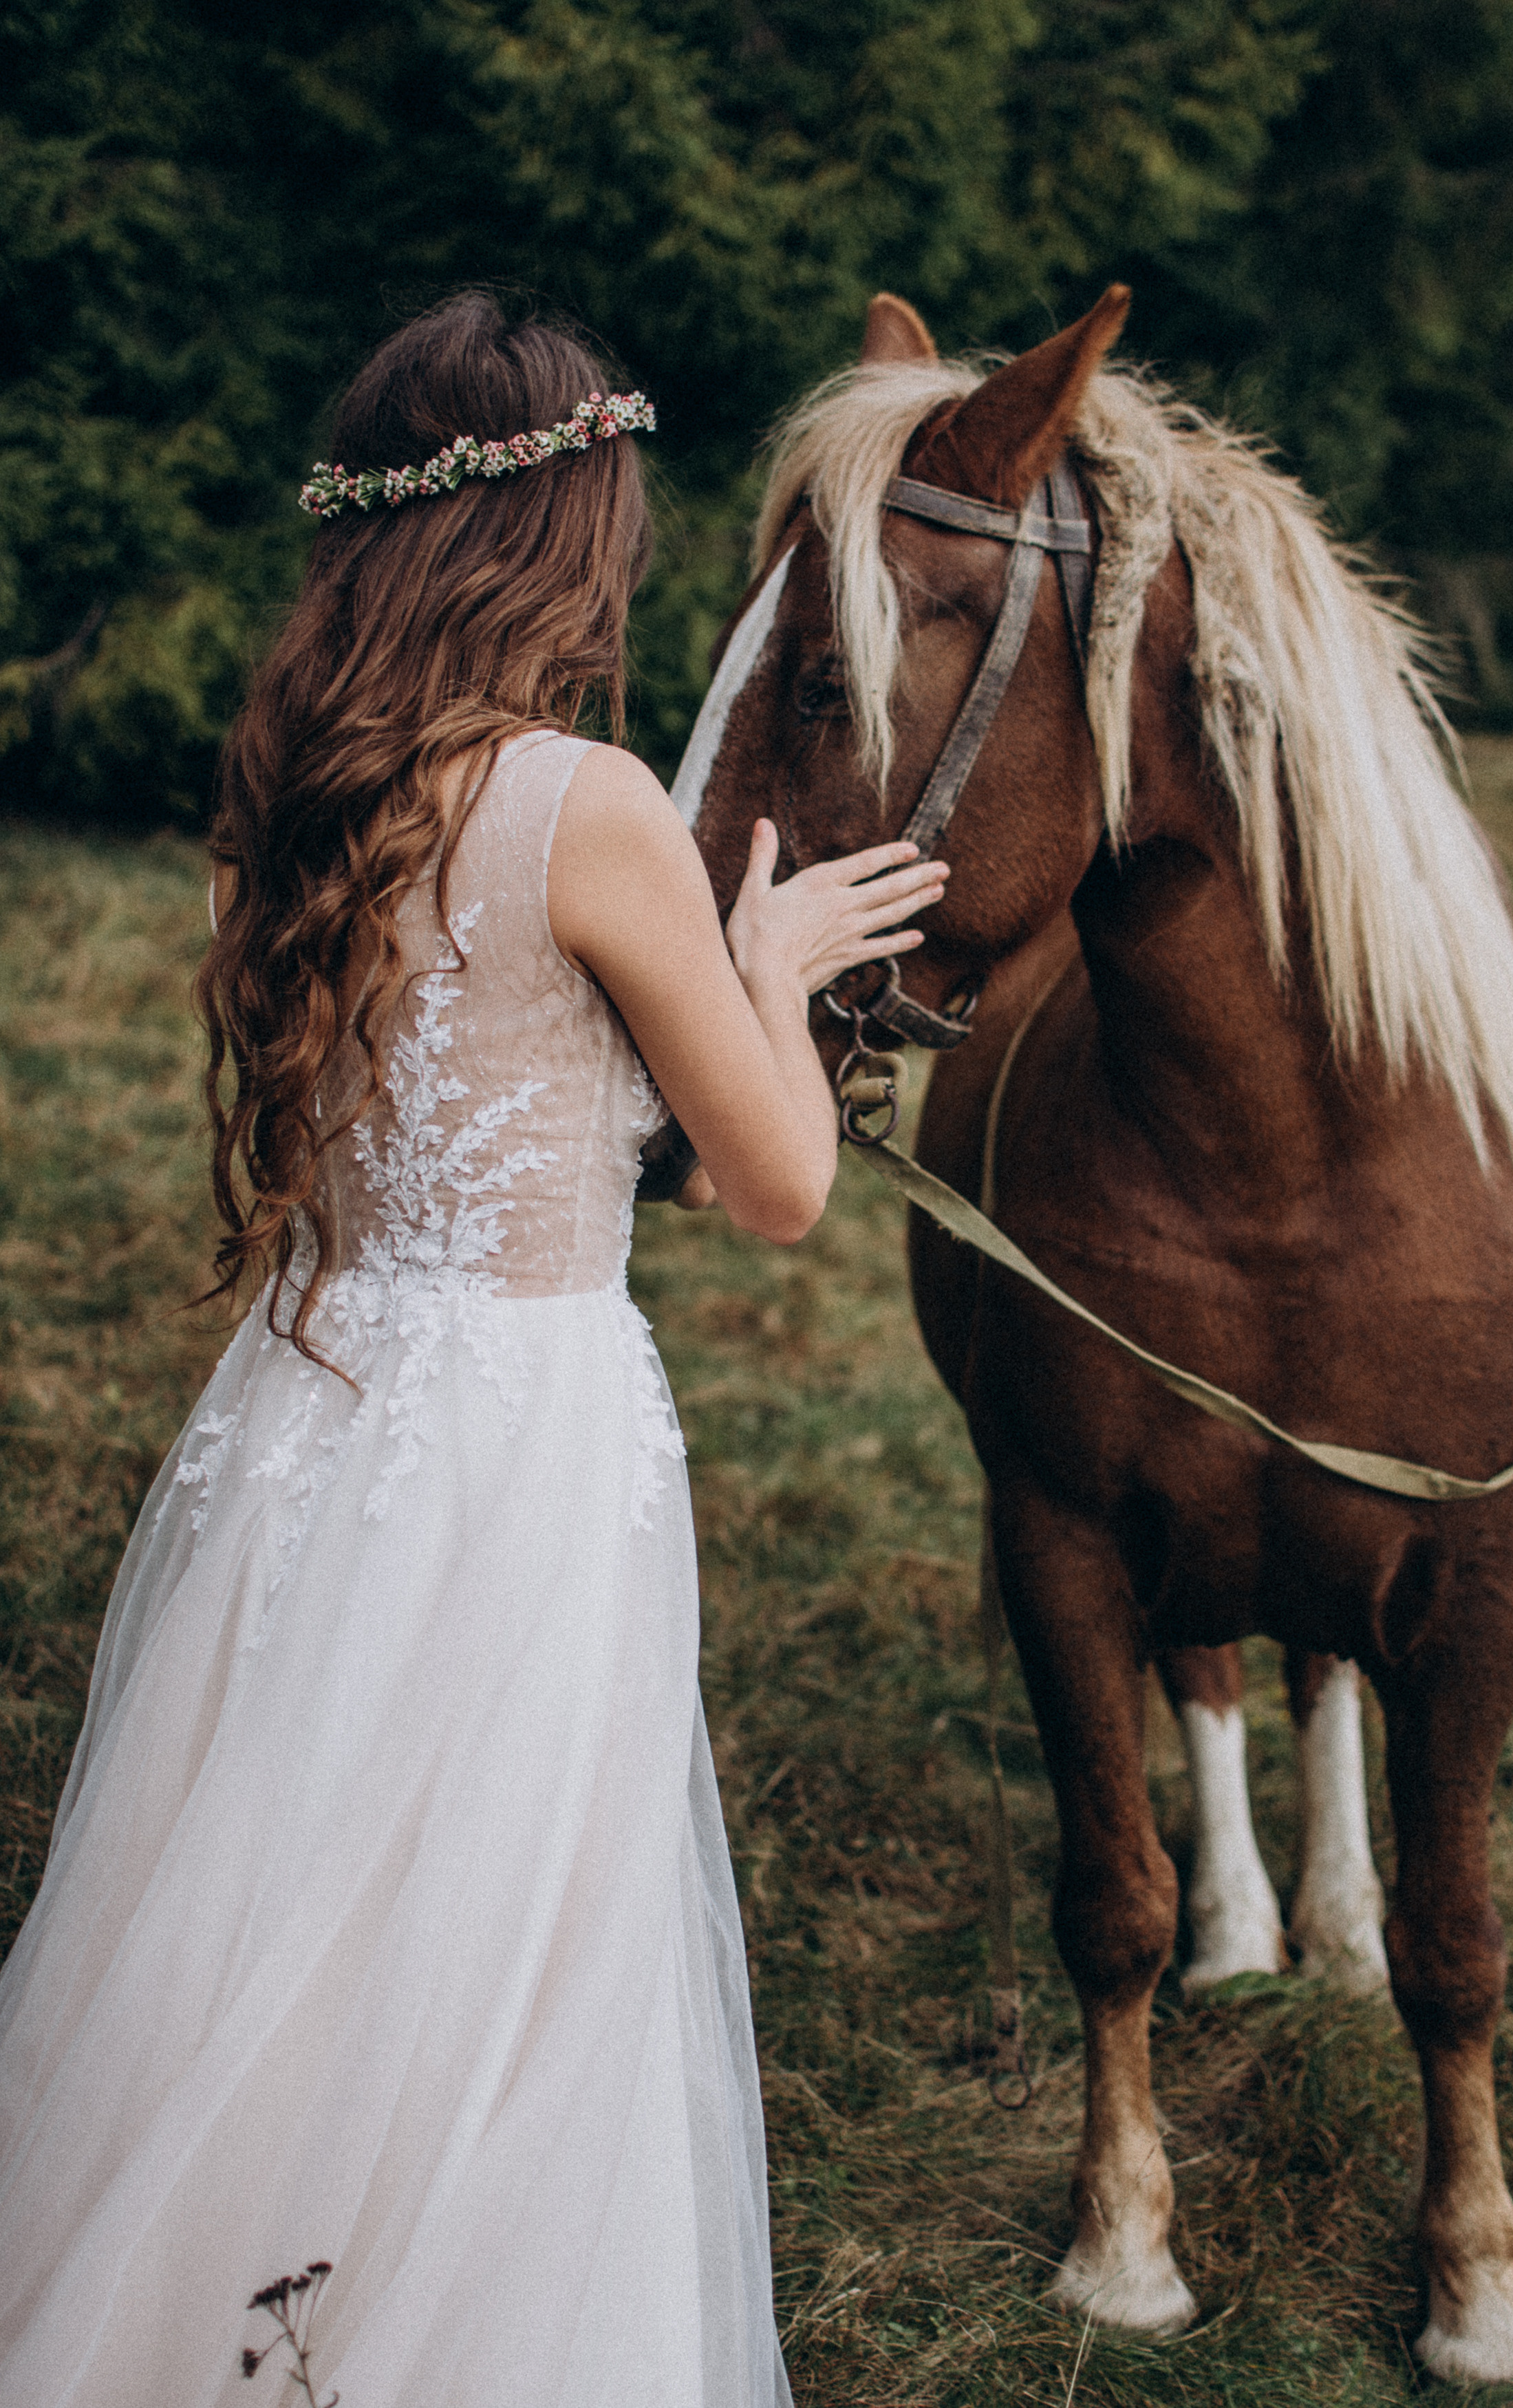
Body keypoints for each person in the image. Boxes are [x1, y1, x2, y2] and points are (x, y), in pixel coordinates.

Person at [0, 292, 947, 2407]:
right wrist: (773, 956)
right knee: (508, 1931)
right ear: (564, 532)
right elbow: (780, 1178)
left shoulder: (298, 785)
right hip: (515, 1439)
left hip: (312, 1404)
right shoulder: (590, 805)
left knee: (269, 1887)